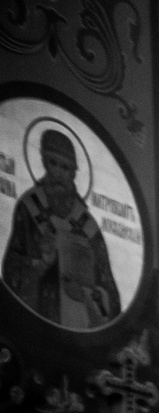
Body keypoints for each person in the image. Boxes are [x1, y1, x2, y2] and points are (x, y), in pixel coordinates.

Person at [3, 127, 122, 328]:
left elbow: (108, 289)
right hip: (40, 319)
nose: (58, 173)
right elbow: (10, 270)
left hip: (79, 329)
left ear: (74, 172)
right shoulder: (29, 208)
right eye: (53, 163)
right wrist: (39, 264)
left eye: (66, 168)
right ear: (43, 162)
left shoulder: (87, 226)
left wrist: (87, 293)